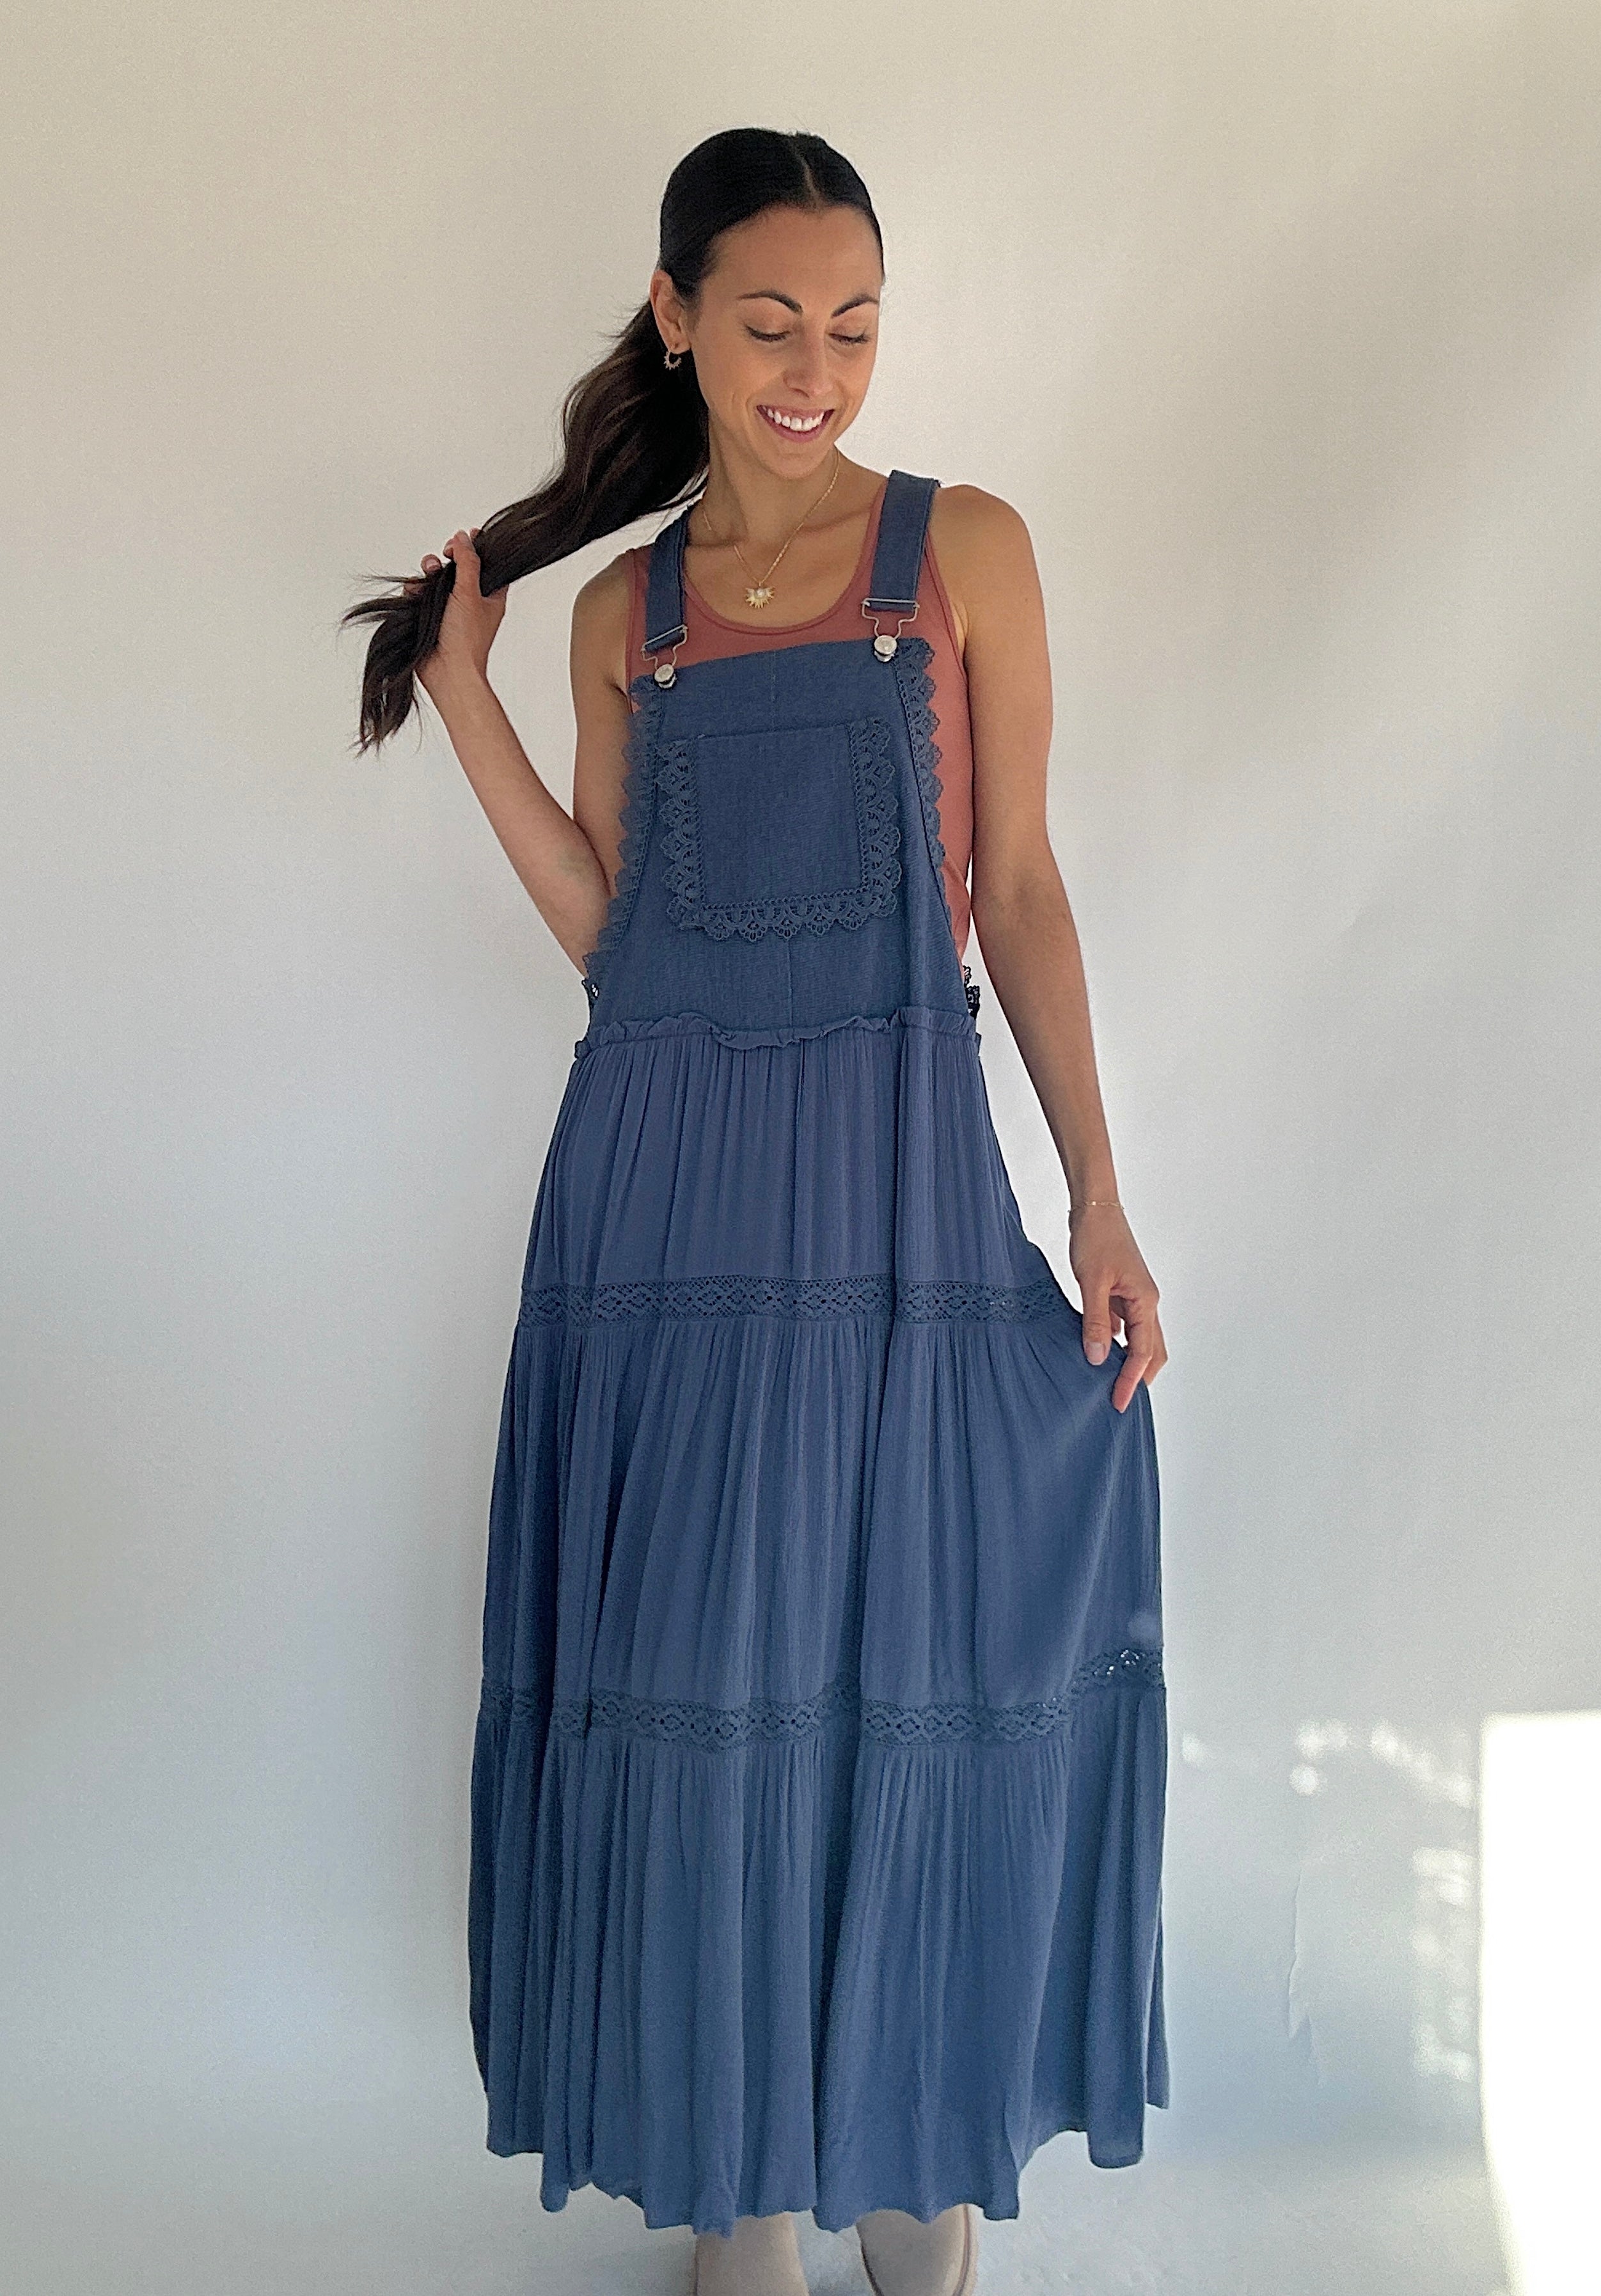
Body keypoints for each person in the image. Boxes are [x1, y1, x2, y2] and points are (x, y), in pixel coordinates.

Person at [343, 125, 1170, 2296]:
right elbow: (619, 941)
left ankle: (912, 2164)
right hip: (667, 1221)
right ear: (678, 320)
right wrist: (467, 707)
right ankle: (752, 2193)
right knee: (714, 1696)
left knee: (912, 1658)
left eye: (860, 324)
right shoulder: (631, 609)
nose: (820, 367)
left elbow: (1025, 892)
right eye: (775, 322)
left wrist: (1097, 1194)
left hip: (902, 1209)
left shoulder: (964, 549)